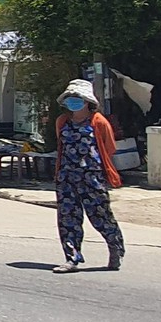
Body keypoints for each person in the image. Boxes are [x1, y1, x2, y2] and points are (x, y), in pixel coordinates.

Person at [51, 79, 125, 273]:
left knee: (100, 215)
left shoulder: (98, 121)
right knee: (68, 218)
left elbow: (109, 148)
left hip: (92, 177)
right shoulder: (62, 122)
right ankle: (72, 258)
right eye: (70, 98)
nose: (73, 102)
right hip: (66, 177)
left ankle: (115, 247)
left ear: (87, 101)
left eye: (78, 98)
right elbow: (61, 146)